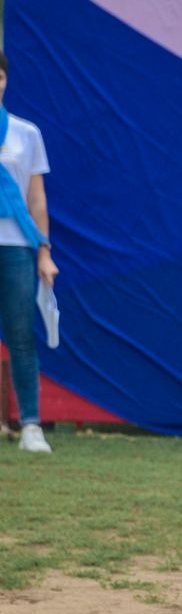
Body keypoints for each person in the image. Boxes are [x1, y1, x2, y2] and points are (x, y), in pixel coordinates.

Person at [0, 52, 58, 454]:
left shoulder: (26, 133)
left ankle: (31, 425)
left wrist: (44, 252)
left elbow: (36, 199)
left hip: (18, 246)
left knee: (21, 335)